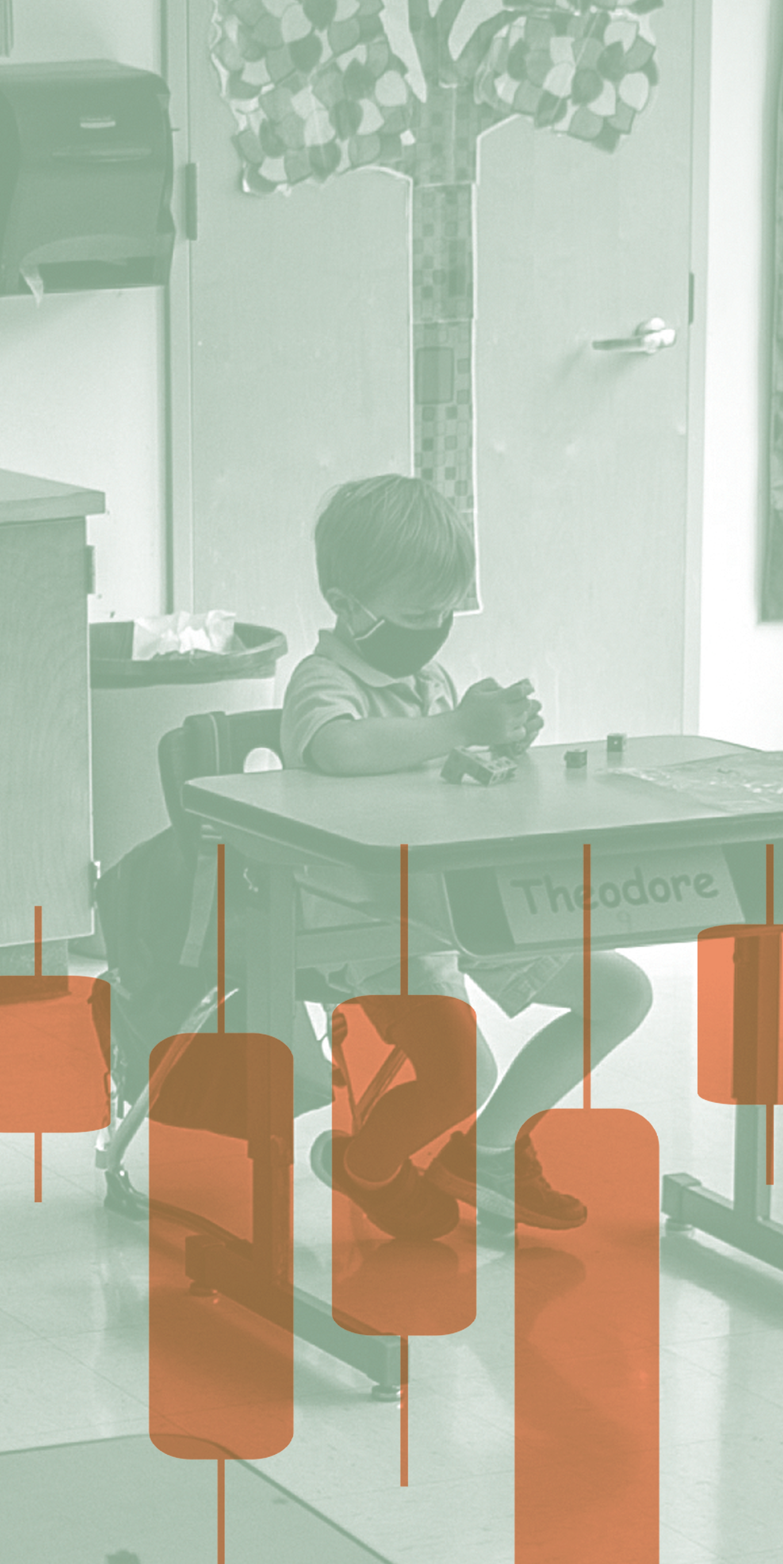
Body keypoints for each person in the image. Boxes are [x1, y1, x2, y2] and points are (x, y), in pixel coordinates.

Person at [279, 475, 653, 1233]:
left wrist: (498, 748)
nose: (437, 627)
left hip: (463, 905)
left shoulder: (430, 680)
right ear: (349, 605)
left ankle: (486, 1154)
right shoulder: (322, 682)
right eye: (420, 612)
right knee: (461, 1076)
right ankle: (364, 1163)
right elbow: (339, 750)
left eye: (448, 609)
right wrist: (456, 729)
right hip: (380, 927)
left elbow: (448, 786)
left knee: (621, 993)